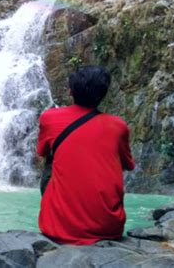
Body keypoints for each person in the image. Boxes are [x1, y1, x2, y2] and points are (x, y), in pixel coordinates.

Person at [36, 65, 135, 245]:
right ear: (104, 93)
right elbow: (129, 165)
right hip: (109, 228)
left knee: (52, 158)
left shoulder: (49, 118)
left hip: (57, 229)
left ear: (70, 91)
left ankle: (63, 211)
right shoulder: (119, 126)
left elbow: (42, 152)